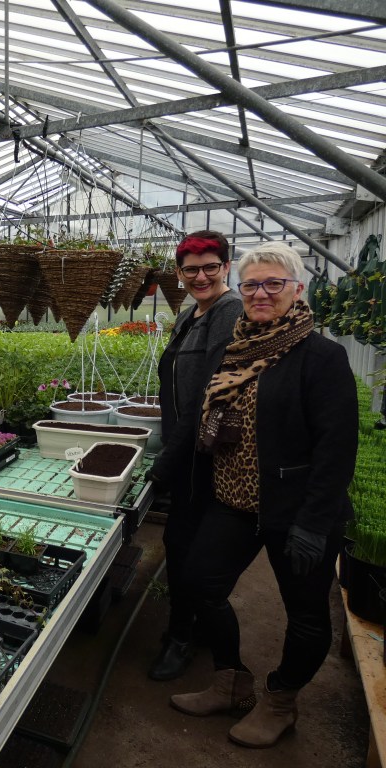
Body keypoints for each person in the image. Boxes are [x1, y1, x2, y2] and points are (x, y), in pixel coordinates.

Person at [169, 241, 358, 749]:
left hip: (294, 510)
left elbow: (337, 449)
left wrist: (315, 524)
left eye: (274, 283)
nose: (260, 293)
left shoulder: (320, 356)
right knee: (200, 583)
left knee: (307, 614)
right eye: (252, 284)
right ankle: (231, 680)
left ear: (297, 290)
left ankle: (280, 702)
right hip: (234, 500)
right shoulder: (238, 345)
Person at [146, 230, 242, 681]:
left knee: (186, 548)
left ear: (226, 265)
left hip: (205, 454)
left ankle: (181, 638)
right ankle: (192, 627)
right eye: (190, 269)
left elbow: (209, 394)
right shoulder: (191, 313)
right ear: (179, 273)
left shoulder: (230, 311)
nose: (200, 276)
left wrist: (166, 461)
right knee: (181, 543)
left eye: (210, 267)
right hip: (185, 448)